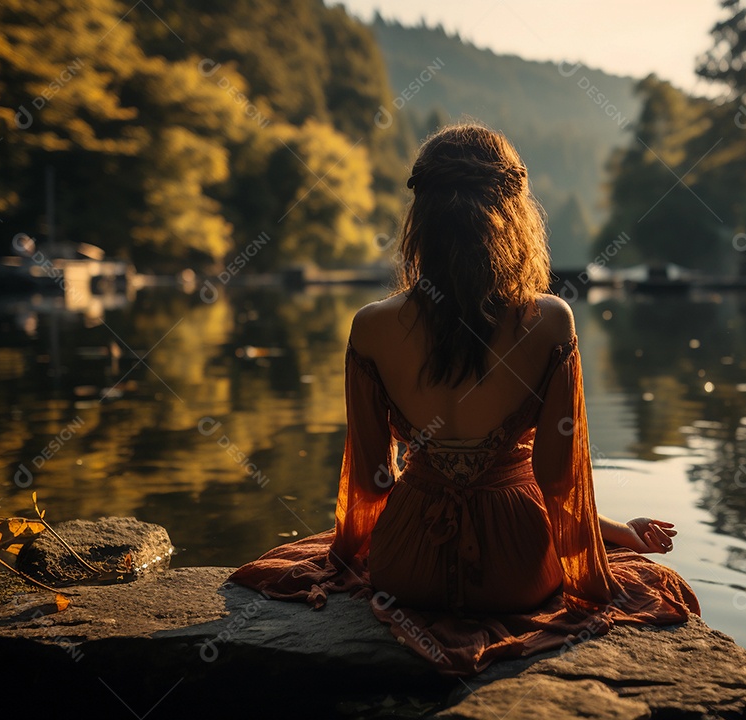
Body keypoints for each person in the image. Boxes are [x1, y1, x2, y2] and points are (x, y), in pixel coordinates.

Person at [229, 123, 700, 676]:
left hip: (405, 568)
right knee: (663, 588)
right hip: (517, 572)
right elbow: (558, 481)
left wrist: (348, 555)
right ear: (515, 217)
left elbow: (369, 478)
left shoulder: (372, 326)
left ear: (420, 220)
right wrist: (617, 536)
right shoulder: (549, 320)